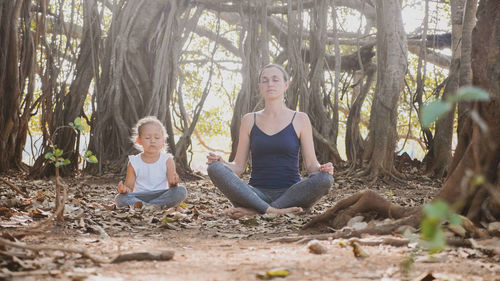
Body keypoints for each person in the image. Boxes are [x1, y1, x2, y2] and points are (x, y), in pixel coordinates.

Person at [206, 63, 334, 219]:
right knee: (215, 168)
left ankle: (257, 211)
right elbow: (239, 167)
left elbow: (311, 166)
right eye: (265, 80)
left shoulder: (300, 119)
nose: (270, 84)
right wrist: (222, 163)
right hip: (255, 193)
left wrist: (323, 168)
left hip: (291, 193)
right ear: (260, 86)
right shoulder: (249, 119)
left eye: (275, 79)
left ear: (286, 85)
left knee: (325, 179)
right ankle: (272, 211)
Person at [115, 116, 187, 209]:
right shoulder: (134, 161)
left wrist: (174, 183)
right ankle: (152, 206)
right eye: (147, 138)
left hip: (161, 194)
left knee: (181, 191)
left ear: (163, 140)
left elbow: (171, 186)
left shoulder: (167, 160)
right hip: (140, 196)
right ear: (139, 140)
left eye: (157, 137)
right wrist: (124, 190)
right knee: (120, 198)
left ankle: (148, 206)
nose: (152, 141)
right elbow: (129, 187)